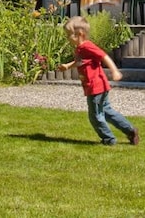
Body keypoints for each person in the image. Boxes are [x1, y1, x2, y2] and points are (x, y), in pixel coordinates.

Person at [59, 15, 139, 145]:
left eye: (69, 35)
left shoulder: (87, 46)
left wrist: (114, 71)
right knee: (107, 111)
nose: (67, 38)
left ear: (80, 34)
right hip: (97, 86)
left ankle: (108, 139)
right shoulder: (80, 48)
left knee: (95, 116)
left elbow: (104, 56)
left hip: (95, 87)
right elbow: (80, 61)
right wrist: (68, 65)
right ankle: (130, 130)